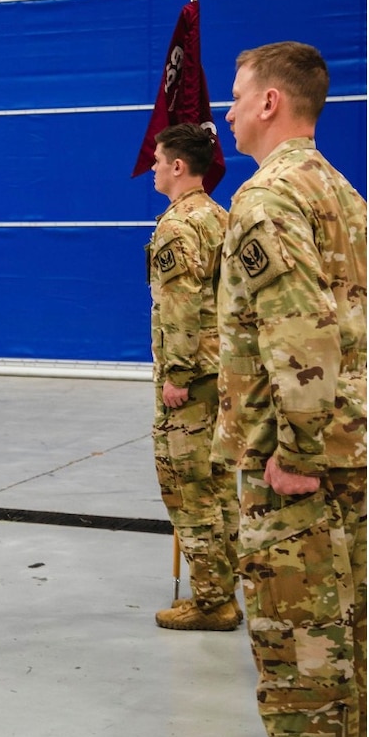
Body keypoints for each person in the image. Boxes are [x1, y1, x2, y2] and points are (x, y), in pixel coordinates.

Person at [214, 42, 366, 737]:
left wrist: (297, 453)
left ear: (271, 102)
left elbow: (302, 332)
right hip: (352, 452)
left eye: (237, 96)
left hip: (299, 467)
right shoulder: (338, 188)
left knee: (299, 649)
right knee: (347, 637)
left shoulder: (267, 198)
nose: (227, 111)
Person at [147, 123, 241, 631]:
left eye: (160, 160)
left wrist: (177, 373)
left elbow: (181, 306)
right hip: (221, 369)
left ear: (179, 166)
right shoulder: (220, 218)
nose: (155, 168)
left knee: (187, 486)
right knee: (220, 483)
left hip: (192, 376)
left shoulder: (178, 226)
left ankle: (211, 600)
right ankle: (223, 587)